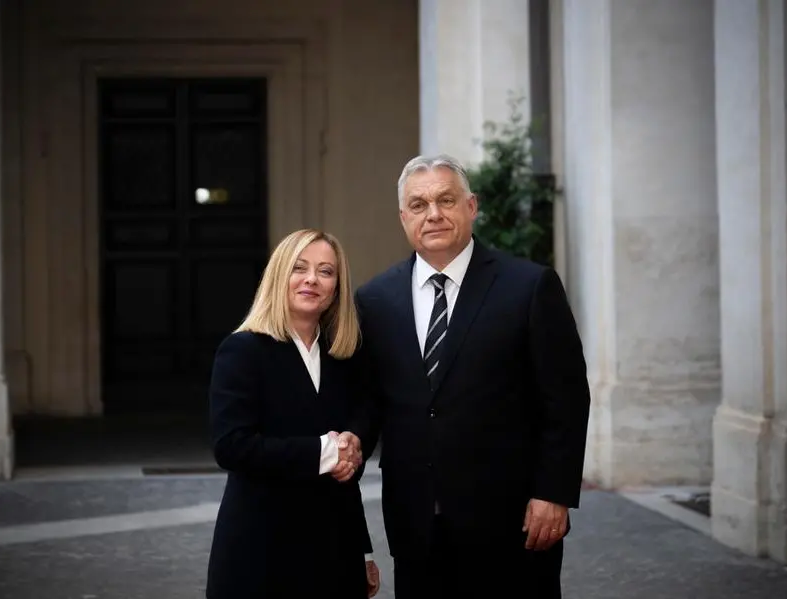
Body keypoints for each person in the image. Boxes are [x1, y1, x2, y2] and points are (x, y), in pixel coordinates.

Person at [340, 155, 591, 598]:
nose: (433, 214)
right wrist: (350, 442)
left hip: (513, 523)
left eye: (446, 200)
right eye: (418, 205)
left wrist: (553, 493)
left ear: (471, 206)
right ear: (403, 218)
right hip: (416, 526)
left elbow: (566, 399)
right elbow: (373, 399)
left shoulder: (529, 287)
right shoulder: (375, 299)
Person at [205, 229, 381, 599]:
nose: (312, 279)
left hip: (335, 552)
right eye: (299, 268)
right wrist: (324, 452)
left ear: (336, 287)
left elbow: (350, 461)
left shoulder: (343, 355)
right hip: (261, 552)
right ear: (279, 275)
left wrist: (363, 550)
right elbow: (231, 446)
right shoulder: (242, 350)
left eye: (326, 271)